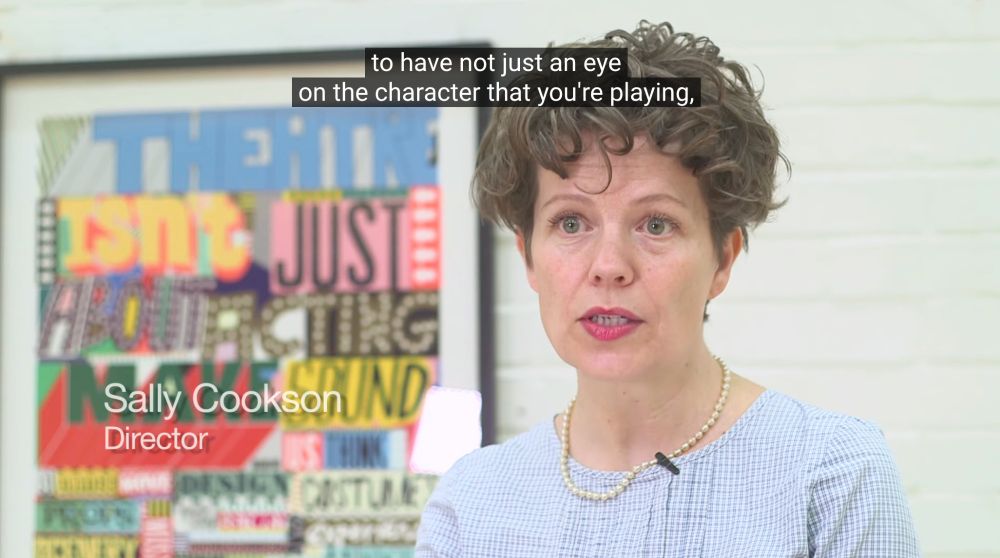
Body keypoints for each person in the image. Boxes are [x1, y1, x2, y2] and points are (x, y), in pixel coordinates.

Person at [416, 20, 920, 557]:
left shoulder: (829, 474)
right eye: (570, 223)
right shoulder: (472, 504)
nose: (609, 266)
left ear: (722, 259)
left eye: (655, 224)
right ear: (529, 258)